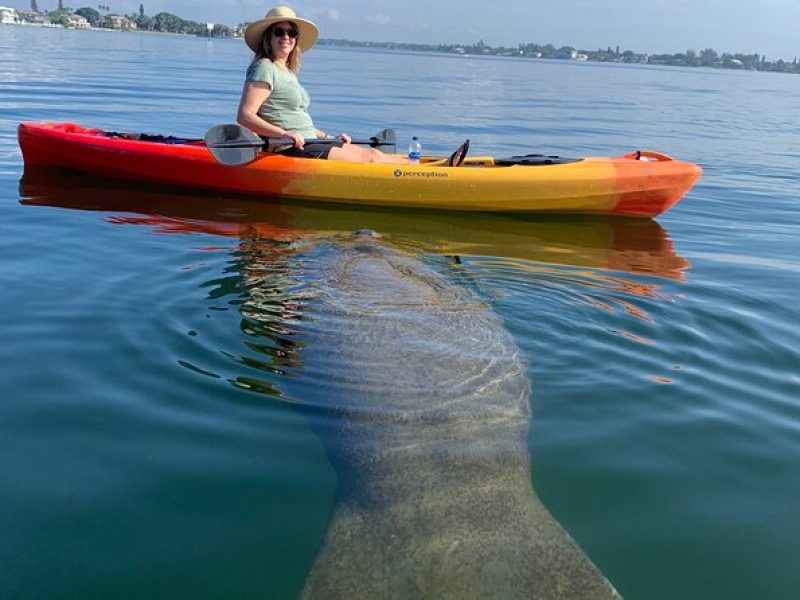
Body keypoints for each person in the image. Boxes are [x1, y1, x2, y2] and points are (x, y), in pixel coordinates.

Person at [237, 6, 407, 164]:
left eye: (292, 32)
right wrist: (284, 134)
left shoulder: (286, 71)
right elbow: (245, 115)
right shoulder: (264, 67)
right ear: (268, 37)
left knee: (377, 155)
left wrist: (329, 137)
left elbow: (301, 124)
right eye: (279, 32)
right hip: (290, 148)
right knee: (371, 158)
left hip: (310, 142)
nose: (286, 37)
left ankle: (418, 168)